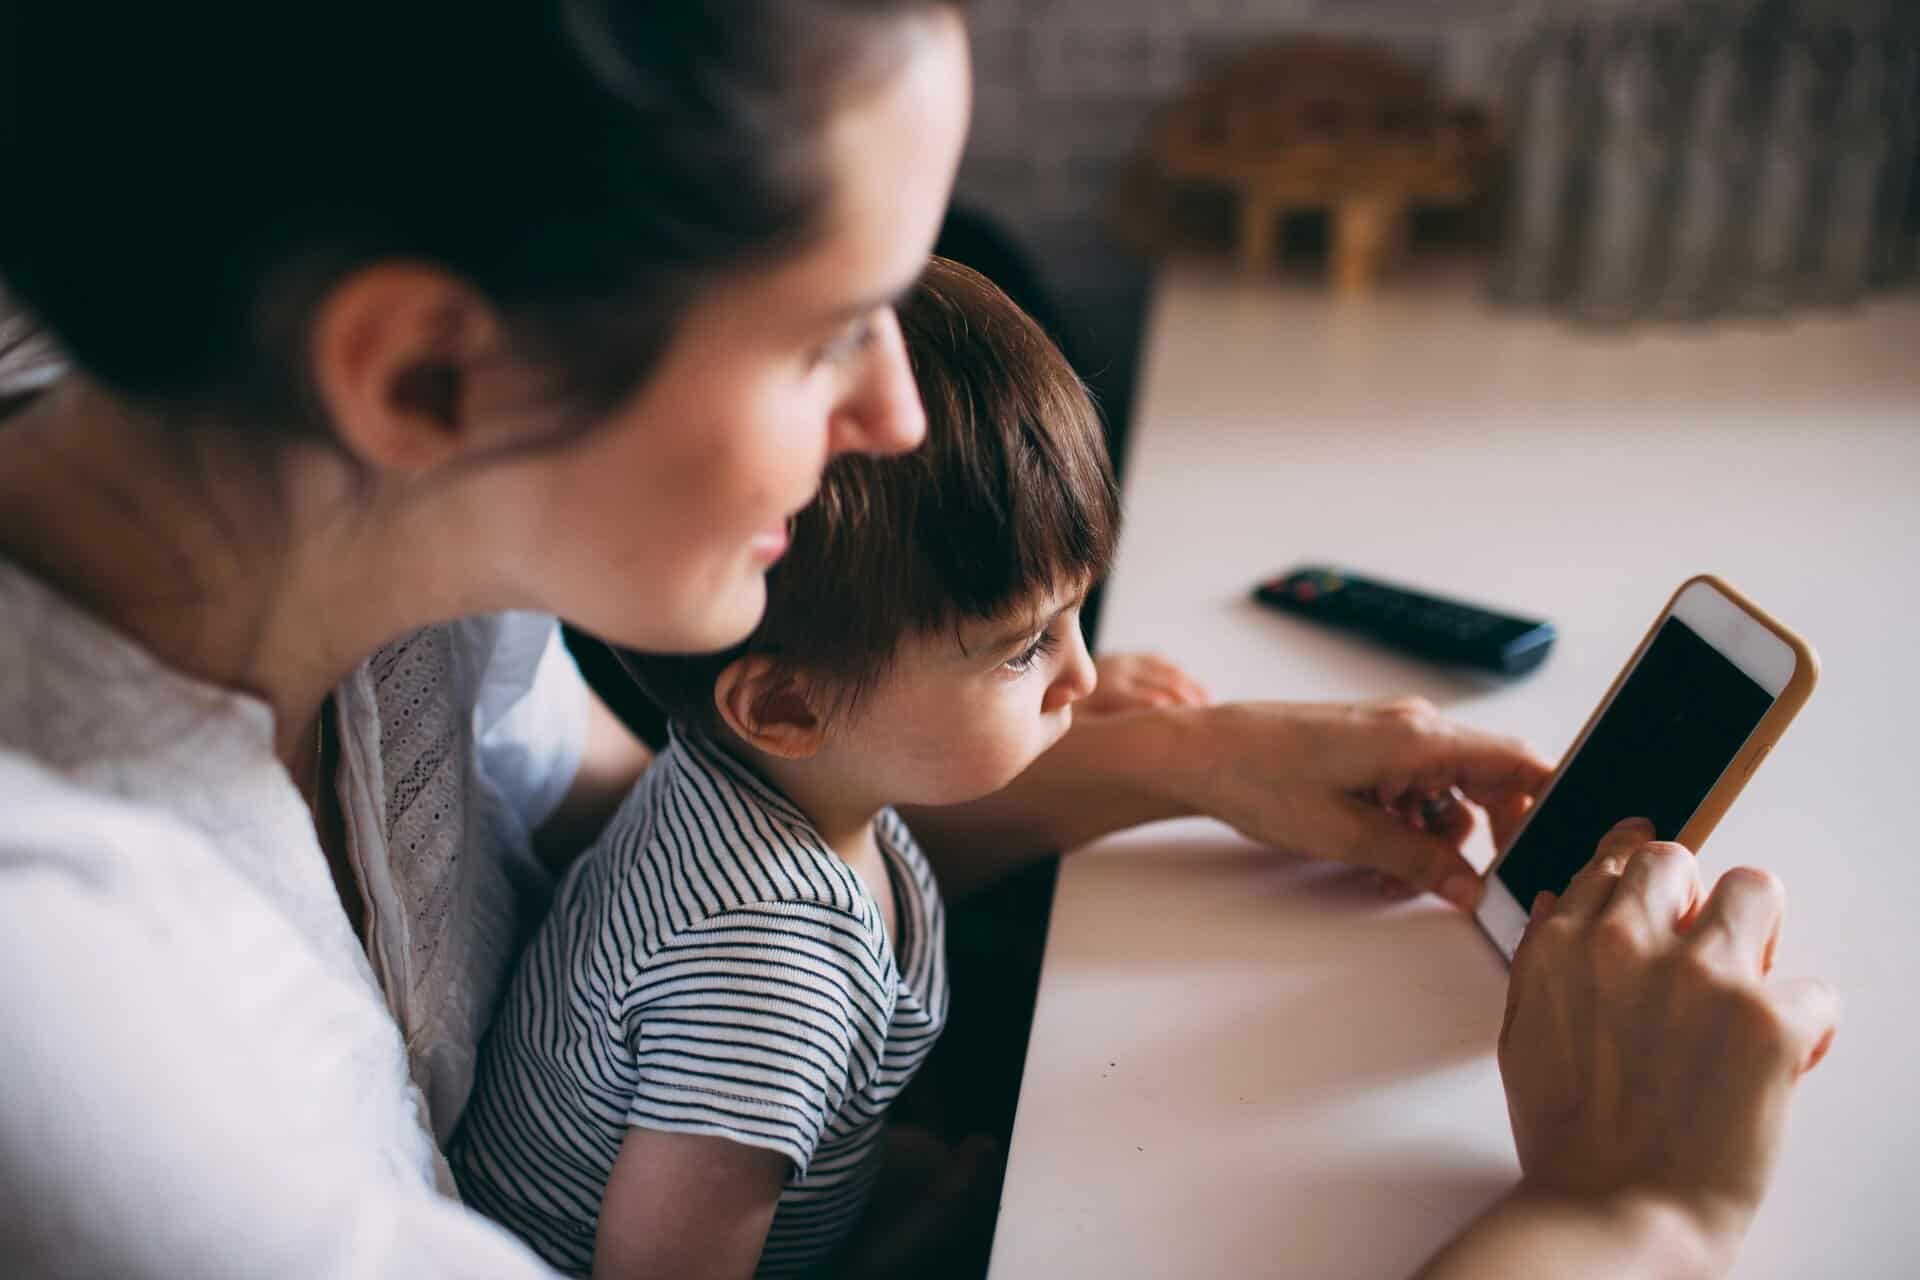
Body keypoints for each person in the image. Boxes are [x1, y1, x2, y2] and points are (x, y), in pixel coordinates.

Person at [0, 4, 1835, 1278]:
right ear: (425, 373)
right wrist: (1635, 1215)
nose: (891, 410)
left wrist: (1181, 760)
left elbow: (630, 840)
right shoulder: (87, 1043)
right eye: (827, 333)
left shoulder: (327, 515)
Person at [451, 257, 1120, 1277]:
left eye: (1077, 615)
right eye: (1024, 646)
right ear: (787, 704)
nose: (1081, 672)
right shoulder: (766, 965)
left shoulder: (770, 786)